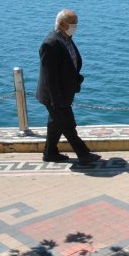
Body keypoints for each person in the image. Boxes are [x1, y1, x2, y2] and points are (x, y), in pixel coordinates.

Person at [36, 9, 101, 165]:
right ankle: (83, 154)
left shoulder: (67, 38)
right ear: (61, 23)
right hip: (54, 95)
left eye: (76, 23)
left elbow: (71, 63)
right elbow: (49, 77)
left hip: (65, 92)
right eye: (73, 23)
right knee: (68, 124)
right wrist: (56, 101)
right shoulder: (50, 43)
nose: (75, 26)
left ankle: (50, 153)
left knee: (56, 124)